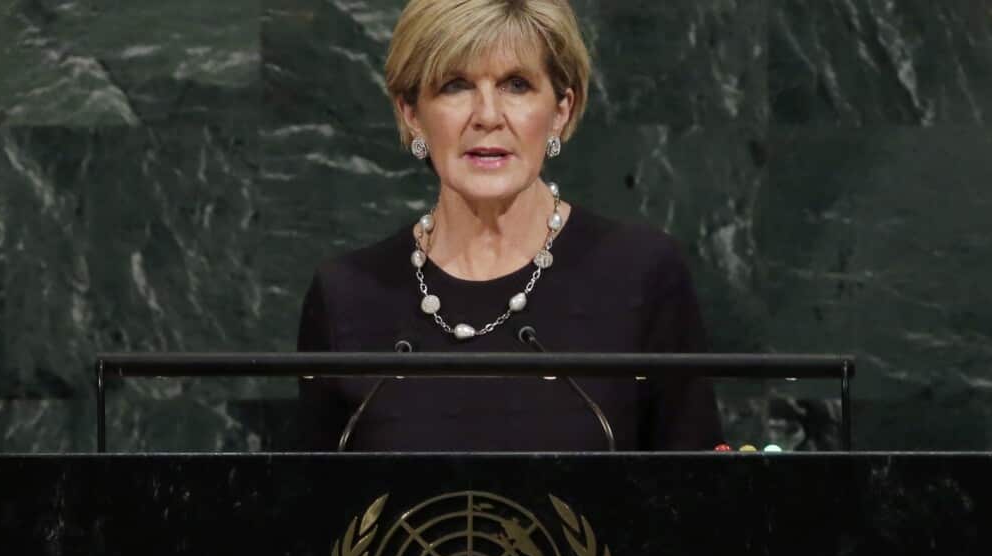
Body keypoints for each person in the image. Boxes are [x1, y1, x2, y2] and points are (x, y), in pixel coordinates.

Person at [296, 0, 724, 452]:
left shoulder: (642, 275)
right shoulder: (346, 295)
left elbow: (696, 488)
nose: (487, 115)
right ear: (411, 113)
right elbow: (310, 493)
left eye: (516, 85)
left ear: (561, 110)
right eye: (456, 85)